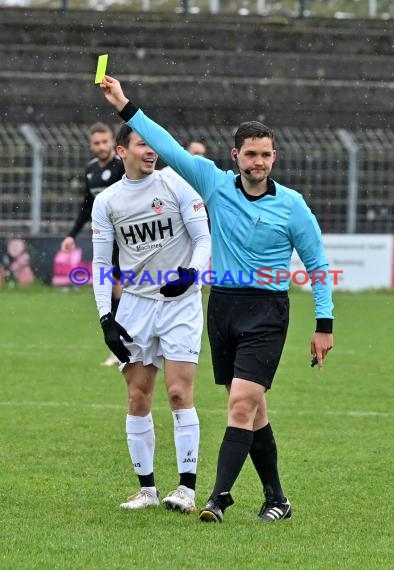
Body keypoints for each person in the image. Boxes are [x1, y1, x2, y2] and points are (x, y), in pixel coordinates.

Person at [99, 75, 334, 523]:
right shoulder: (214, 184)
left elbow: (318, 264)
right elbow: (166, 146)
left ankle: (216, 498)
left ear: (274, 158)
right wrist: (125, 107)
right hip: (223, 308)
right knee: (254, 409)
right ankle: (277, 499)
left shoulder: (294, 205)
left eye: (266, 154)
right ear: (236, 157)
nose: (259, 161)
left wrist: (324, 324)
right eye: (251, 154)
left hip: (267, 309)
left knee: (241, 404)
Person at [91, 122, 211, 512]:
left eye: (153, 145)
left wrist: (191, 273)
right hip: (136, 306)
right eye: (142, 144)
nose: (151, 151)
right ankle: (147, 491)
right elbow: (99, 263)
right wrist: (106, 318)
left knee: (179, 393)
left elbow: (203, 237)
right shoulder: (107, 201)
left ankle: (187, 491)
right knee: (137, 395)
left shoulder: (176, 184)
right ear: (122, 152)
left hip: (180, 303)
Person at [60, 122, 124, 366]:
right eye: (96, 143)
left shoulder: (121, 166)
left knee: (119, 288)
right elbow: (87, 206)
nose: (101, 147)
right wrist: (71, 235)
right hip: (104, 239)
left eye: (105, 141)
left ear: (112, 142)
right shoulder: (90, 170)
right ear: (91, 145)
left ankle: (125, 345)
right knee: (112, 288)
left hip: (126, 238)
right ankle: (121, 346)